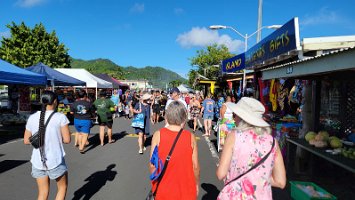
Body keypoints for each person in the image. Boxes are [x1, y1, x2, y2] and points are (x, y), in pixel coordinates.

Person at [216, 97, 286, 199]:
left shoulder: (234, 136)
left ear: (242, 118)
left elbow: (221, 174)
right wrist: (258, 177)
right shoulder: (272, 142)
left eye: (235, 115)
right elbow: (281, 182)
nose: (234, 118)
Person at [24, 91, 71, 200]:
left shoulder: (32, 117)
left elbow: (26, 140)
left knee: (42, 193)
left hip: (38, 160)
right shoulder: (60, 117)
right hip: (55, 160)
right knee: (62, 188)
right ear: (55, 101)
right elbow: (67, 140)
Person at [149, 100, 200, 199]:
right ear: (183, 118)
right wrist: (197, 184)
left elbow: (152, 165)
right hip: (186, 190)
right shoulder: (190, 137)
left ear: (167, 117)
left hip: (164, 189)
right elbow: (195, 166)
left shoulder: (158, 135)